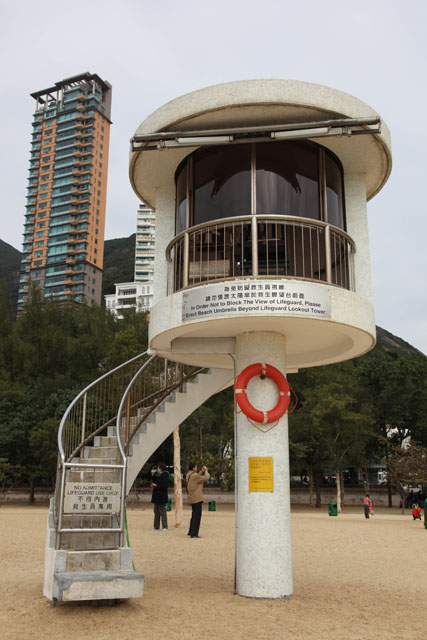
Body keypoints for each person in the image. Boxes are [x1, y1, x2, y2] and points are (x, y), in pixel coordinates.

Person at [186, 462, 210, 538]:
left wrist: (201, 471)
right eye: (196, 467)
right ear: (193, 468)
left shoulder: (188, 474)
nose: (196, 468)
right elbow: (205, 478)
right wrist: (206, 472)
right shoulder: (195, 475)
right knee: (197, 516)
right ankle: (194, 533)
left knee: (194, 515)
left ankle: (190, 531)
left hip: (192, 497)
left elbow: (197, 477)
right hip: (197, 498)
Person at [150, 462, 169, 531]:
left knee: (162, 512)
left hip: (161, 496)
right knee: (156, 511)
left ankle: (164, 526)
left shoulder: (165, 474)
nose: (157, 469)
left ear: (161, 468)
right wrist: (153, 475)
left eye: (158, 468)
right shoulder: (160, 475)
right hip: (157, 496)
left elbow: (164, 486)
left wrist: (156, 485)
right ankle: (156, 526)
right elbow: (156, 481)